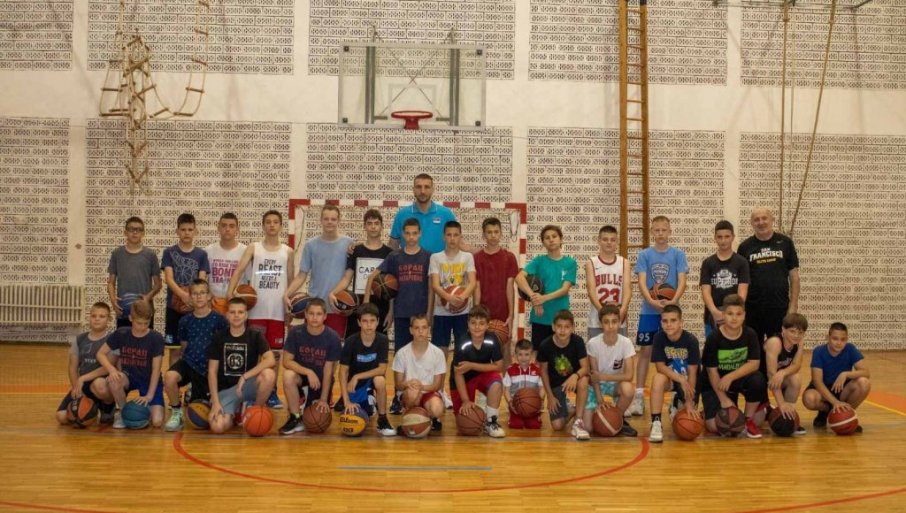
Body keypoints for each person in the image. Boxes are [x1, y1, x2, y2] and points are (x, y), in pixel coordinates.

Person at [228, 209, 294, 409]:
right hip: (256, 310)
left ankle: (272, 392)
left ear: (281, 226)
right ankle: (251, 391)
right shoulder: (254, 248)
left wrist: (289, 309)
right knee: (255, 353)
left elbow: (291, 281)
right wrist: (230, 294)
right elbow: (239, 270)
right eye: (268, 222)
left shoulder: (288, 251)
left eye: (275, 222)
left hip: (277, 312)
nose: (272, 225)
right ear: (263, 226)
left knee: (275, 355)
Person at [366, 218, 432, 414]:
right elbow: (381, 282)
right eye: (407, 233)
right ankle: (398, 395)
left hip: (421, 315)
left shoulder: (428, 257)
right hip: (402, 313)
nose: (411, 237)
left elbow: (431, 288)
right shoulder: (395, 257)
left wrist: (429, 314)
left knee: (421, 355)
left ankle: (422, 393)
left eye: (414, 233)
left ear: (420, 234)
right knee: (400, 355)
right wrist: (381, 309)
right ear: (403, 234)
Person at [632, 215, 688, 416]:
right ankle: (639, 396)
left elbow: (682, 281)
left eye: (664, 230)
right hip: (649, 311)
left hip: (671, 311)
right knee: (645, 351)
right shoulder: (645, 255)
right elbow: (641, 281)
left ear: (670, 231)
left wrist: (673, 301)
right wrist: (651, 300)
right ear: (652, 231)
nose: (661, 233)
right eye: (657, 230)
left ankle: (676, 395)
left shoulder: (678, 254)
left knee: (673, 352)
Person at [163, 279, 228, 431]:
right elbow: (184, 346)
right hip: (189, 363)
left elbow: (223, 347)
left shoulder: (219, 320)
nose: (199, 297)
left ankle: (196, 391)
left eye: (202, 293)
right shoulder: (185, 321)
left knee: (204, 414)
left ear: (209, 296)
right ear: (190, 297)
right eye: (195, 294)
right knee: (170, 377)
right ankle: (177, 412)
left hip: (210, 369)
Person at [699, 294, 766, 438]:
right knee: (714, 426)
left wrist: (730, 376)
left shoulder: (750, 334)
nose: (734, 318)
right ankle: (708, 411)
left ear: (744, 316)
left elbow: (754, 364)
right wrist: (723, 399)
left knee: (758, 381)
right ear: (723, 315)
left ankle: (748, 420)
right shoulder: (713, 338)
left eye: (738, 314)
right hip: (715, 383)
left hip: (735, 379)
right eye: (730, 314)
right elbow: (711, 372)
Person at [206, 298, 277, 434]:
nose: (236, 315)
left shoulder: (255, 336)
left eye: (240, 312)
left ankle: (255, 410)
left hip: (247, 386)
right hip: (226, 391)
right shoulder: (218, 337)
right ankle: (236, 412)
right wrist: (215, 402)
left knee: (269, 374)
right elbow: (212, 372)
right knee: (217, 427)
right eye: (232, 312)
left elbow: (270, 360)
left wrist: (244, 376)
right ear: (227, 315)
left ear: (246, 315)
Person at [285, 205, 353, 337]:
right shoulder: (310, 245)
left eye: (333, 219)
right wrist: (286, 294)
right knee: (313, 346)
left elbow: (348, 275)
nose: (329, 222)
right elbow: (302, 275)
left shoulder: (349, 244)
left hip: (337, 306)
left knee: (335, 345)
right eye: (326, 219)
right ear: (320, 220)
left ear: (339, 221)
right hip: (314, 308)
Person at [96, 300, 165, 429]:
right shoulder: (121, 333)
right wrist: (112, 370)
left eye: (146, 323)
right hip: (129, 377)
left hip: (148, 380)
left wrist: (149, 396)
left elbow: (156, 370)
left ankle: (146, 409)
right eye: (139, 323)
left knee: (157, 422)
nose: (143, 327)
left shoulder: (156, 338)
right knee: (113, 380)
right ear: (130, 318)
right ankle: (123, 412)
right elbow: (100, 354)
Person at [278, 298, 341, 435]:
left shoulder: (333, 337)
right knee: (288, 375)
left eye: (318, 314)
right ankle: (295, 417)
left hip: (320, 382)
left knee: (316, 419)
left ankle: (312, 400)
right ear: (305, 314)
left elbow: (329, 371)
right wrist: (308, 372)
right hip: (301, 378)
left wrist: (323, 399)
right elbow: (286, 362)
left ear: (325, 316)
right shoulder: (296, 332)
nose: (314, 317)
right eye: (311, 313)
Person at [737, 207, 800, 342]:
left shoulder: (786, 243)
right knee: (754, 350)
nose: (761, 222)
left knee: (778, 348)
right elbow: (741, 282)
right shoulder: (744, 247)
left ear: (772, 220)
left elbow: (794, 277)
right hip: (753, 309)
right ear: (752, 223)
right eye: (756, 220)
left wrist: (793, 305)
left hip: (779, 308)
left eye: (764, 218)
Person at [516, 225, 578, 356]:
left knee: (561, 356)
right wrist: (534, 298)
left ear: (561, 239)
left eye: (554, 236)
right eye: (547, 237)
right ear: (543, 242)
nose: (551, 239)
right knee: (539, 356)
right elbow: (519, 278)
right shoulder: (538, 261)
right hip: (540, 316)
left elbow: (564, 289)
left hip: (561, 318)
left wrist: (543, 298)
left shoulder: (570, 262)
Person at [330, 209, 392, 336]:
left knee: (378, 344)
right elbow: (347, 278)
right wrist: (333, 292)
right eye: (369, 223)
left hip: (380, 308)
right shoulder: (356, 251)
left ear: (382, 226)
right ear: (364, 226)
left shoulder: (389, 253)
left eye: (376, 223)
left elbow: (392, 287)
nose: (373, 227)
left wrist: (391, 312)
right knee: (353, 343)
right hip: (357, 306)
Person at [338, 303, 396, 436]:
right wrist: (346, 401)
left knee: (380, 380)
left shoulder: (382, 340)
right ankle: (369, 400)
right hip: (355, 386)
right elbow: (342, 372)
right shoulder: (351, 341)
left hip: (371, 379)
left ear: (378, 322)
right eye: (364, 321)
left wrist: (357, 376)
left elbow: (382, 369)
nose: (368, 325)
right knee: (361, 413)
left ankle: (382, 419)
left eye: (372, 321)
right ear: (359, 323)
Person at [56, 302, 117, 425]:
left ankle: (108, 407)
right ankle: (91, 411)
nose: (97, 319)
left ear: (109, 320)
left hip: (102, 383)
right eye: (93, 316)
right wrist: (76, 387)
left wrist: (83, 378)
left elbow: (107, 368)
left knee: (99, 385)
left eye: (102, 316)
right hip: (83, 384)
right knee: (61, 416)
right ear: (89, 318)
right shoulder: (79, 339)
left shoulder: (112, 339)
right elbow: (72, 368)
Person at [802, 322, 870, 432]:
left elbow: (866, 372)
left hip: (842, 389)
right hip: (823, 389)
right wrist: (835, 402)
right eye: (835, 338)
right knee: (809, 399)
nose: (839, 343)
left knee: (864, 383)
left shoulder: (850, 349)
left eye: (843, 339)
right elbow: (817, 381)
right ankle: (825, 412)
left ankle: (847, 417)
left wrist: (845, 374)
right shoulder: (819, 351)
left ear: (847, 339)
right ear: (828, 337)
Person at [450, 306, 506, 438]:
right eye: (473, 323)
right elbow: (458, 373)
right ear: (468, 324)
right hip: (463, 380)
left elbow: (499, 366)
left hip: (482, 375)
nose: (477, 327)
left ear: (487, 325)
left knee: (496, 383)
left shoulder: (492, 339)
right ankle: (472, 407)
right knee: (466, 422)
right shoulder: (462, 342)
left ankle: (491, 422)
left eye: (481, 323)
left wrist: (471, 365)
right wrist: (465, 400)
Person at [648, 304, 701, 443]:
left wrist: (689, 402)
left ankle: (677, 403)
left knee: (687, 419)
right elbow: (660, 367)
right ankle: (656, 422)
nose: (669, 324)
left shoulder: (691, 340)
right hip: (672, 379)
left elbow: (693, 372)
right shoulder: (659, 337)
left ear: (681, 322)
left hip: (689, 382)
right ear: (661, 322)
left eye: (673, 320)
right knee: (658, 379)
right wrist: (679, 379)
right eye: (665, 321)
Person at [583, 305, 638, 437]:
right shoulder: (593, 343)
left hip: (614, 384)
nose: (611, 326)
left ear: (619, 323)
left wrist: (604, 376)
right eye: (606, 322)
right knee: (588, 427)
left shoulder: (626, 343)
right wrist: (600, 400)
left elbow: (629, 375)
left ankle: (618, 419)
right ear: (600, 324)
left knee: (628, 389)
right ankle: (578, 410)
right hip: (596, 386)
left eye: (614, 321)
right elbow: (594, 377)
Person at [537, 310, 591, 440]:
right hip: (556, 384)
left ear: (573, 328)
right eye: (559, 326)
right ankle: (573, 409)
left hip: (575, 380)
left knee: (584, 380)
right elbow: (543, 372)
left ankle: (578, 421)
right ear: (553, 327)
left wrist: (575, 376)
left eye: (567, 327)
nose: (562, 330)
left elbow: (586, 368)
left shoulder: (577, 341)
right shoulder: (545, 345)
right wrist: (550, 396)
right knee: (557, 426)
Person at [161, 213, 210, 353]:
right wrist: (183, 296)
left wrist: (193, 299)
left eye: (190, 229)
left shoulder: (201, 254)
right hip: (174, 307)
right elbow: (169, 279)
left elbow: (201, 281)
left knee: (193, 347)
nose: (186, 233)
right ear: (177, 231)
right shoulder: (169, 252)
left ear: (195, 231)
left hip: (194, 307)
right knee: (175, 350)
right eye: (183, 229)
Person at [473, 217, 518, 367]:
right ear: (484, 235)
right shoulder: (477, 258)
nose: (493, 235)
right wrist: (476, 312)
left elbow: (510, 286)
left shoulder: (509, 257)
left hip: (502, 311)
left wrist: (511, 314)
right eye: (489, 232)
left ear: (501, 233)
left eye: (496, 232)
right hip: (484, 311)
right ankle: (485, 381)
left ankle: (507, 382)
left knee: (505, 350)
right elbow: (477, 286)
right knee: (481, 350)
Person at [429, 221, 477, 359]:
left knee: (462, 351)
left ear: (460, 236)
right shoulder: (435, 257)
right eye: (449, 235)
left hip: (463, 312)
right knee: (440, 352)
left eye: (456, 235)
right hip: (441, 311)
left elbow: (472, 283)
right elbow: (435, 285)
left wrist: (461, 298)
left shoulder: (467, 257)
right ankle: (440, 374)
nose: (452, 238)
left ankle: (456, 374)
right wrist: (449, 298)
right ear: (443, 236)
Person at [391, 315, 446, 432]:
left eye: (424, 327)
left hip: (429, 391)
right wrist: (407, 384)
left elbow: (437, 385)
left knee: (437, 409)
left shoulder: (438, 353)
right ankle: (408, 419)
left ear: (429, 329)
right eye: (417, 328)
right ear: (411, 330)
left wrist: (422, 387)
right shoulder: (401, 353)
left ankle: (431, 418)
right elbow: (398, 385)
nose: (421, 331)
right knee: (413, 394)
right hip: (409, 393)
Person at [107, 216, 161, 329]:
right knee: (123, 339)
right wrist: (113, 300)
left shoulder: (150, 255)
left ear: (143, 233)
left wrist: (147, 297)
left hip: (145, 310)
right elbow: (111, 282)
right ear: (125, 232)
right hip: (123, 310)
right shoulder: (117, 254)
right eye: (131, 229)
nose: (135, 232)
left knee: (145, 340)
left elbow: (158, 284)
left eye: (139, 229)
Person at [700, 220, 749, 338]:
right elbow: (705, 291)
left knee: (735, 348)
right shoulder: (707, 263)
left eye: (727, 236)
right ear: (715, 238)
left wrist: (732, 313)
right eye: (720, 237)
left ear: (733, 237)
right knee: (713, 348)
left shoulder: (742, 262)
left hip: (735, 317)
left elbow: (742, 291)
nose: (723, 240)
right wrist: (715, 312)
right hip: (713, 316)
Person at [760, 313, 808, 435]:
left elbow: (796, 366)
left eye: (800, 333)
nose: (796, 335)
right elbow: (771, 374)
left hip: (776, 378)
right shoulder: (775, 342)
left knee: (795, 378)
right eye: (792, 331)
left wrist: (782, 372)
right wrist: (781, 404)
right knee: (757, 421)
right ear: (783, 329)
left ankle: (789, 416)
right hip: (760, 380)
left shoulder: (797, 344)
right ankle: (772, 408)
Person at [389, 173, 457, 254]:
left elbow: (457, 243)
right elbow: (393, 246)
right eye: (419, 187)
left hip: (439, 262)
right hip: (409, 262)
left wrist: (471, 252)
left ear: (432, 190)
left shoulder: (446, 214)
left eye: (427, 187)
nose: (423, 191)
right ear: (413, 190)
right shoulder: (401, 215)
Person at [585, 225, 631, 340]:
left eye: (613, 240)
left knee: (620, 351)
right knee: (595, 351)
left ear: (617, 242)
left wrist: (622, 311)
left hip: (618, 318)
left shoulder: (624, 262)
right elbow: (591, 291)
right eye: (605, 239)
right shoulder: (591, 262)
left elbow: (627, 290)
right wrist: (602, 312)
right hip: (597, 319)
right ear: (599, 241)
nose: (609, 242)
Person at [205, 213, 247, 315]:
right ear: (218, 228)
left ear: (237, 230)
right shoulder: (208, 251)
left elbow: (250, 281)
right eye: (224, 225)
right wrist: (208, 295)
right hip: (214, 305)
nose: (227, 229)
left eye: (231, 226)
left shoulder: (245, 251)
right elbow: (203, 279)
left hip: (236, 306)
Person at [503, 339, 544, 429]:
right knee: (516, 425)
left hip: (532, 405)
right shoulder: (510, 370)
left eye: (527, 354)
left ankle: (535, 417)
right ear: (515, 355)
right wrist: (510, 402)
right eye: (520, 354)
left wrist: (540, 400)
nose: (523, 358)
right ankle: (512, 415)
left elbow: (542, 388)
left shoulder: (537, 370)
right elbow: (506, 390)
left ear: (532, 355)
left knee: (534, 426)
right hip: (516, 406)